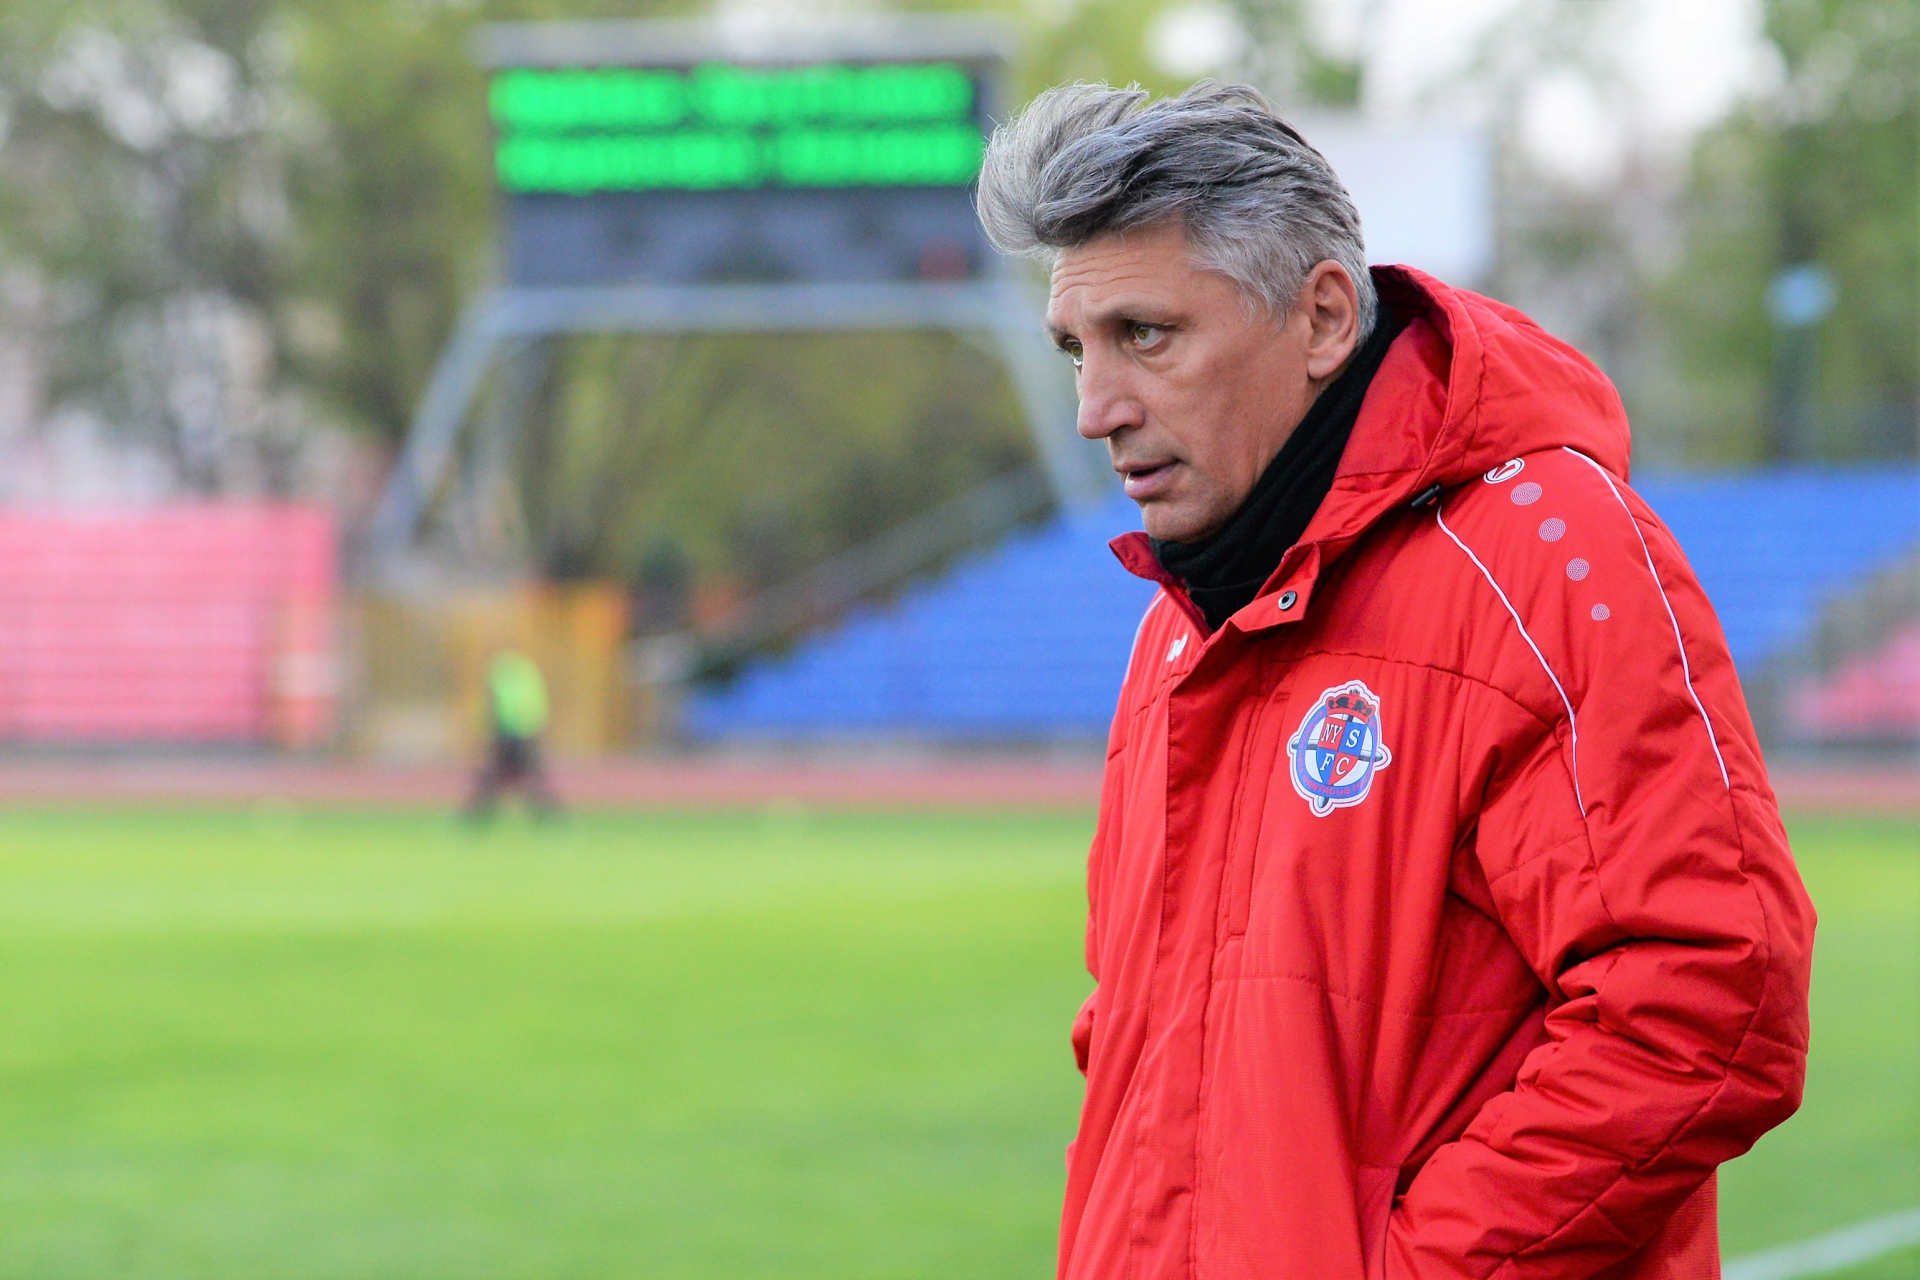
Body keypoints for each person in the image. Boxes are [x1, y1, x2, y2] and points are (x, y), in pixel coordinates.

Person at [975, 82, 1815, 1280]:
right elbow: (1139, 1038)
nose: (1094, 410)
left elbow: (1706, 993)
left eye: (1145, 335)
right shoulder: (1179, 624)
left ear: (1322, 316)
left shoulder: (1544, 556)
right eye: (1075, 348)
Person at [465, 649, 560, 819]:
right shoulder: (526, 672)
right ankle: (548, 815)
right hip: (520, 734)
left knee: (497, 777)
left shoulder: (500, 673)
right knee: (524, 777)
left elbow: (491, 706)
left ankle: (477, 816)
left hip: (511, 735)